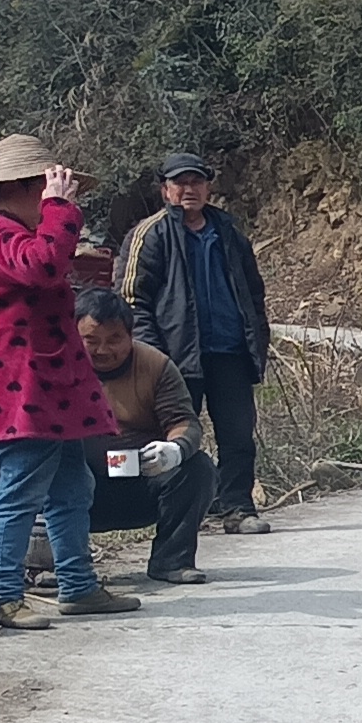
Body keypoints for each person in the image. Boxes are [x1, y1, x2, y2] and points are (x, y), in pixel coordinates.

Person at [0, 135, 132, 628]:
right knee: (20, 487)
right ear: (28, 186)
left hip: (44, 378)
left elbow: (45, 270)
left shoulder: (3, 232)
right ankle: (4, 592)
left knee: (73, 484)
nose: (58, 199)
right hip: (22, 381)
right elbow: (43, 264)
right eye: (48, 189)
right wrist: (59, 210)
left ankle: (77, 584)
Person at [119, 152, 276, 536]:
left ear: (208, 187)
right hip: (175, 359)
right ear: (165, 190)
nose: (189, 189)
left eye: (196, 182)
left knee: (238, 436)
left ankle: (237, 508)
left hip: (230, 353)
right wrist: (154, 357)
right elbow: (132, 300)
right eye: (180, 183)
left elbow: (253, 293)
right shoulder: (150, 234)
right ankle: (168, 517)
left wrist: (258, 341)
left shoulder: (228, 230)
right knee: (170, 437)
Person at [72, 283, 217, 584]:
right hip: (76, 488)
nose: (103, 350)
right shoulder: (57, 367)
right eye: (91, 340)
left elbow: (184, 421)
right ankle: (60, 564)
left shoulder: (157, 366)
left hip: (141, 481)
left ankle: (171, 560)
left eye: (114, 339)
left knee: (199, 467)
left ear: (131, 334)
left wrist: (175, 449)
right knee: (38, 469)